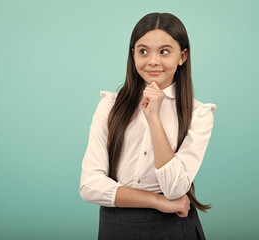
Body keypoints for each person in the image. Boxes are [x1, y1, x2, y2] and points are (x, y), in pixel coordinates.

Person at [79, 12, 217, 240]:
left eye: (164, 51)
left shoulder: (198, 115)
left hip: (174, 227)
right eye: (143, 51)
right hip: (117, 226)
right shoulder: (109, 106)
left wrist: (154, 119)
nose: (153, 61)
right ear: (132, 54)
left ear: (182, 57)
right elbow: (90, 186)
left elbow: (175, 189)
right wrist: (159, 202)